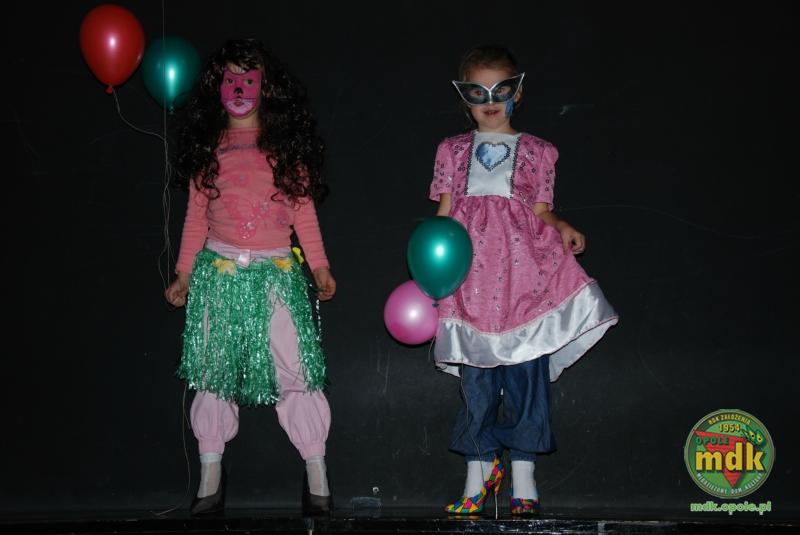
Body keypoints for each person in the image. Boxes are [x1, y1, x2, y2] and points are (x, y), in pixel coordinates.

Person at [429, 45, 618, 516]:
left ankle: (524, 478)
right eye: (478, 92)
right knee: (476, 381)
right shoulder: (452, 150)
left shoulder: (537, 151)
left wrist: (562, 226)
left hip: (524, 281)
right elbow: (443, 216)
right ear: (464, 98)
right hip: (471, 284)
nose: (490, 101)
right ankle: (478, 473)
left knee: (526, 378)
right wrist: (430, 267)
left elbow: (540, 210)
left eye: (501, 90)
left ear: (518, 93)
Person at [164, 39, 336, 516]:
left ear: (266, 87)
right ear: (216, 87)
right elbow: (195, 219)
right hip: (218, 274)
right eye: (230, 79)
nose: (239, 89)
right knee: (213, 372)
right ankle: (210, 473)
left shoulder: (284, 150)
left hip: (276, 273)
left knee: (296, 368)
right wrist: (183, 274)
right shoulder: (209, 150)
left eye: (249, 78)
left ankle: (317, 470)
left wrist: (320, 266)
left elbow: (304, 213)